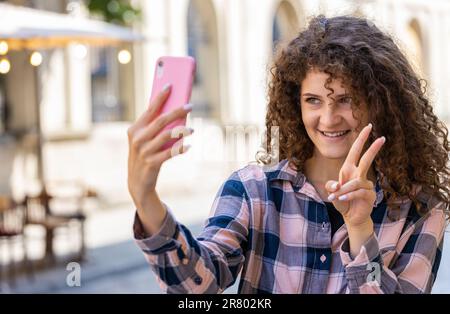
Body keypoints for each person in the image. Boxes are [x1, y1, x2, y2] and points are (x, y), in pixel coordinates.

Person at [127, 15, 449, 293]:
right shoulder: (253, 192)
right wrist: (146, 198)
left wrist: (360, 230)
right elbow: (197, 286)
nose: (328, 118)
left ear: (381, 102)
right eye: (313, 100)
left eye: (346, 99)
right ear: (295, 102)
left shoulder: (420, 209)